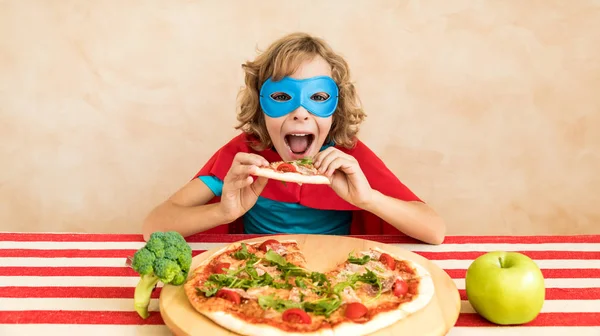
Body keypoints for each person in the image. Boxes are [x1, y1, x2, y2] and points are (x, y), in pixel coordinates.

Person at [142, 33, 446, 244]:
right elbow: (155, 225)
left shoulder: (348, 157)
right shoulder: (245, 156)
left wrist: (368, 199)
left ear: (335, 107)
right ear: (261, 105)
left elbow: (434, 231)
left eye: (317, 97)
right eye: (282, 96)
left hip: (336, 274)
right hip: (254, 271)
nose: (300, 112)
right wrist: (223, 211)